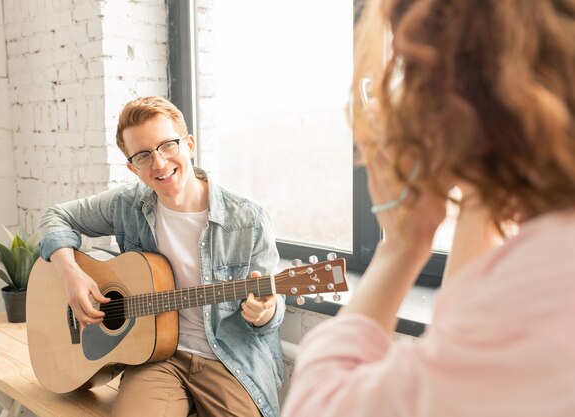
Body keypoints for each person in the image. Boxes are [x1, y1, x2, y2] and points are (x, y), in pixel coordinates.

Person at [282, 0, 575, 416]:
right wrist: (478, 178)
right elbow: (457, 333)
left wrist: (401, 245)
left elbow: (317, 406)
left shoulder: (535, 292)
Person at [37, 96, 285, 417]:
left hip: (228, 359)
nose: (159, 163)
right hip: (155, 357)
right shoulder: (126, 205)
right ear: (132, 167)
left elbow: (267, 322)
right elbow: (54, 216)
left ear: (190, 144)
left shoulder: (249, 219)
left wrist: (264, 312)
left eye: (167, 145)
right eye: (143, 155)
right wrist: (71, 274)